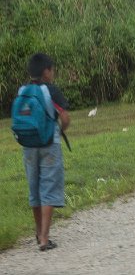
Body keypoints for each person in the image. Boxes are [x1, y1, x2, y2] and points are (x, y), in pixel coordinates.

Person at [20, 53, 70, 251]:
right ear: (46, 71)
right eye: (52, 70)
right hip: (49, 144)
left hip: (28, 145)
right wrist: (60, 129)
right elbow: (65, 118)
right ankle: (44, 239)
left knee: (34, 189)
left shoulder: (23, 90)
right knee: (48, 187)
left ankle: (38, 232)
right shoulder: (51, 90)